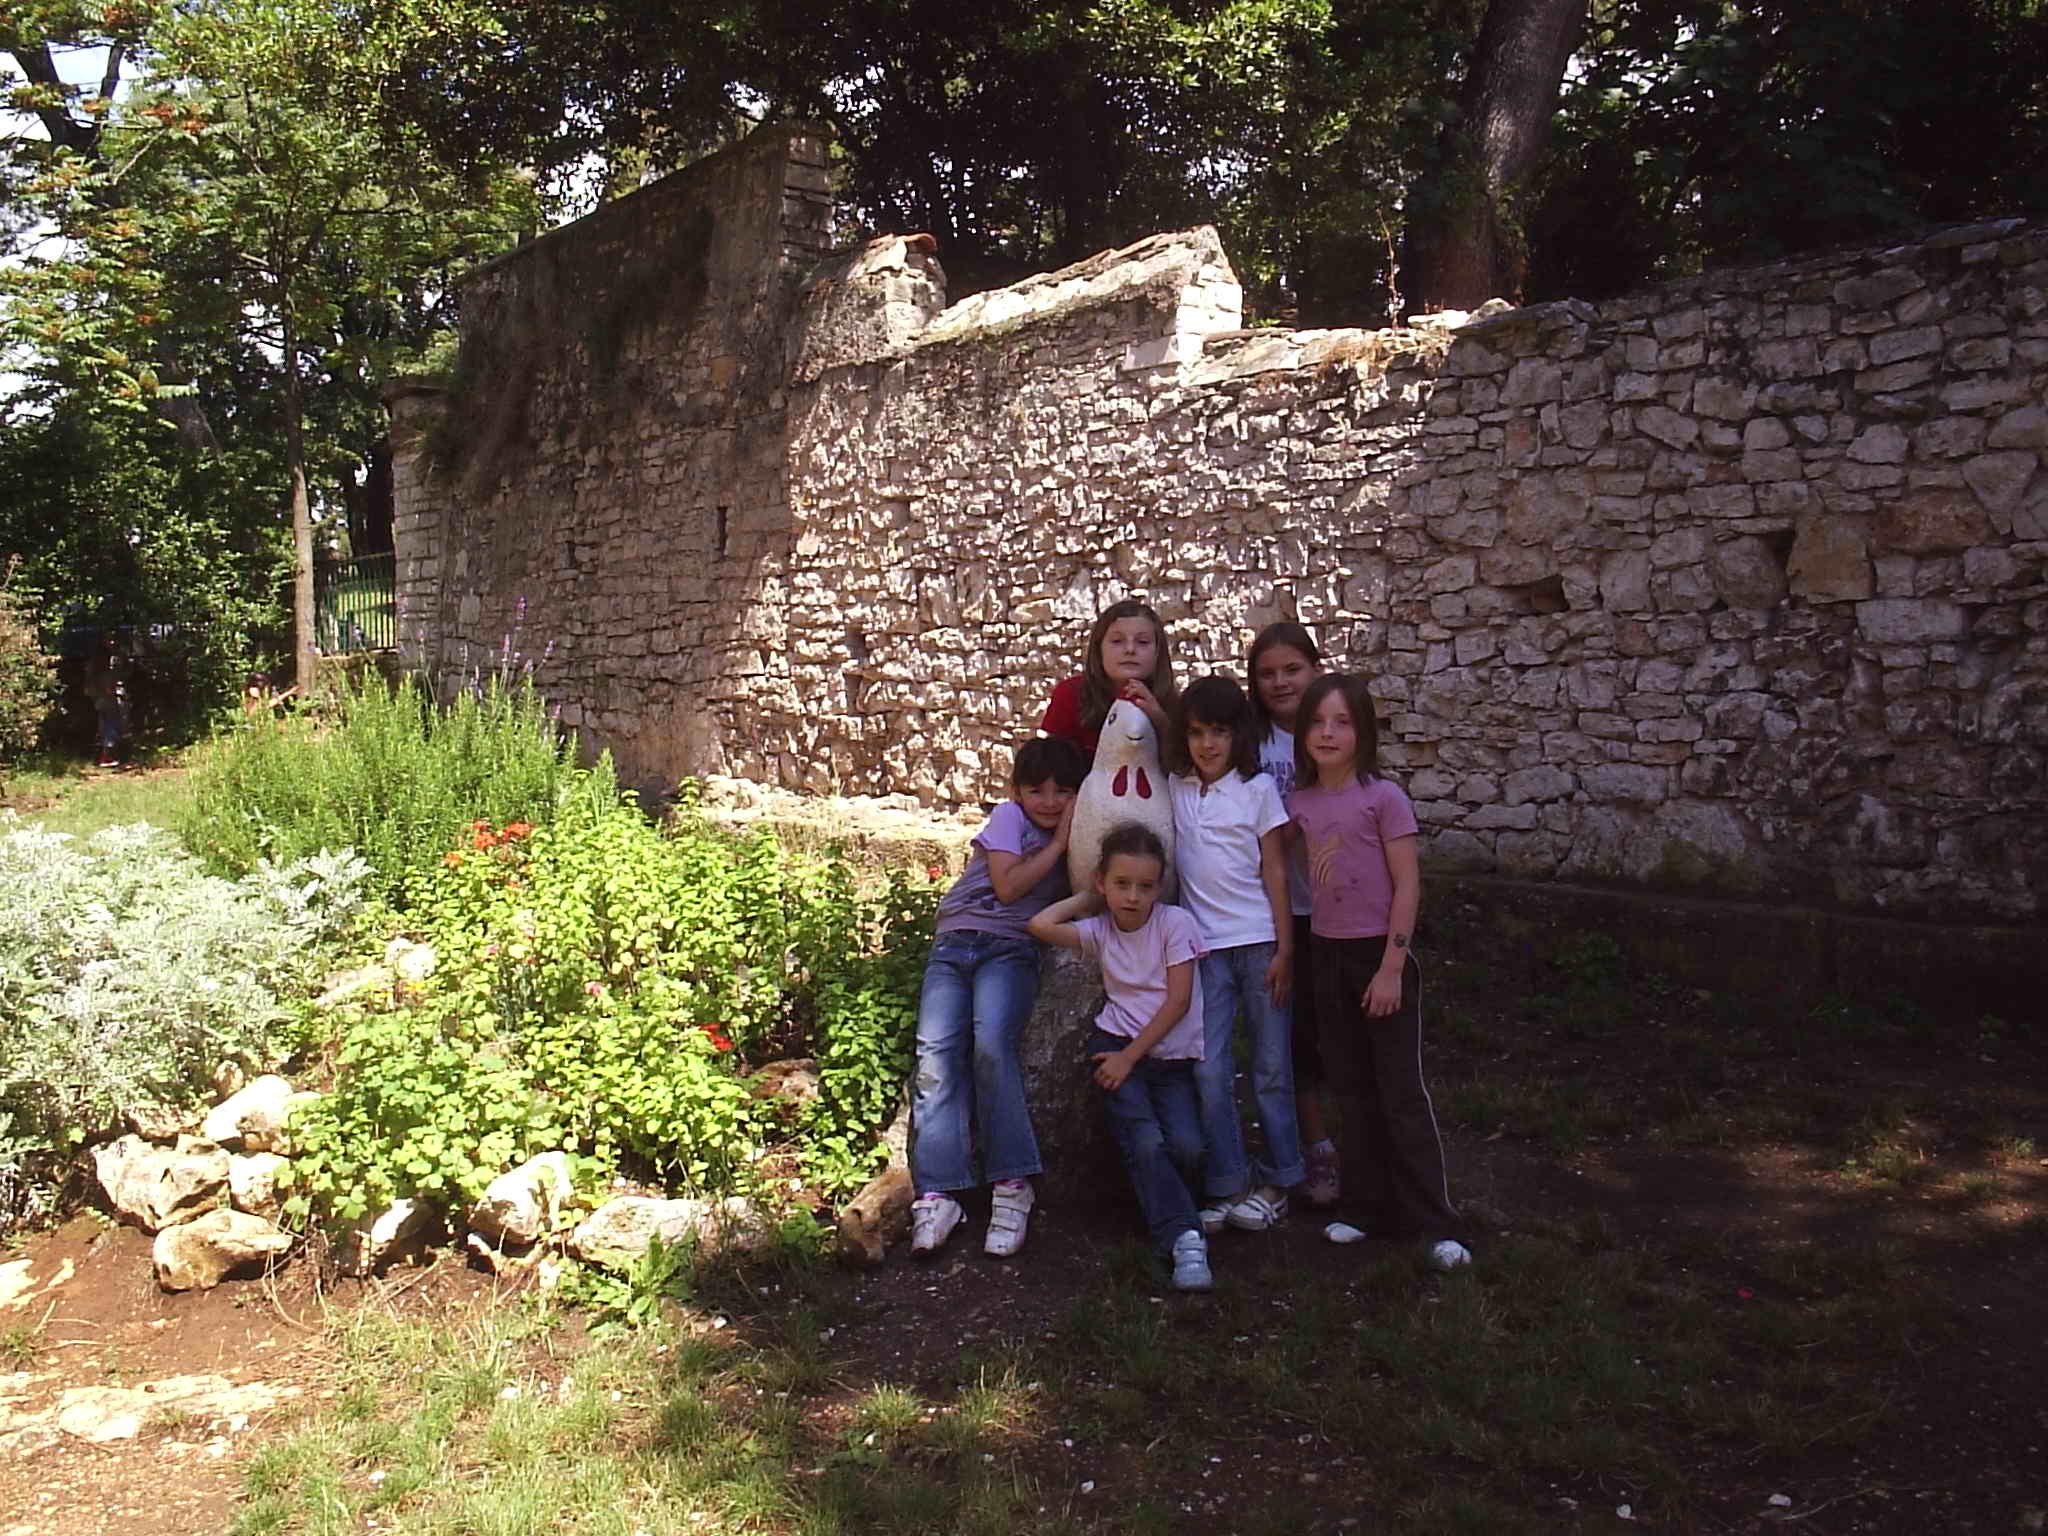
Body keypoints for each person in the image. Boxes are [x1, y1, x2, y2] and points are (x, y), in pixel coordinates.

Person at [1286, 672, 1469, 1270]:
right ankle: (1366, 1207)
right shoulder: (1299, 803)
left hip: (1379, 956)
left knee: (1399, 1092)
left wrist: (1392, 967)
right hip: (1326, 955)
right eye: (1317, 722)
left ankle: (1434, 1221)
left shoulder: (1384, 798)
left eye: (1342, 722)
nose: (1328, 733)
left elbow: (1407, 884)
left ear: (1363, 731)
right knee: (1351, 1087)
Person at [908, 735, 1091, 1259]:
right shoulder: (1010, 818)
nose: (1049, 802)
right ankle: (939, 1192)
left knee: (991, 1045)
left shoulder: (1083, 836)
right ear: (1017, 792)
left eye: (1063, 791)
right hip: (956, 942)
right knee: (935, 1056)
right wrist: (1057, 846)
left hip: (1010, 949)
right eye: (1037, 790)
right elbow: (1008, 887)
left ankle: (1012, 1184)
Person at [1029, 822, 1215, 1291]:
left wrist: (1130, 1057)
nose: (1133, 896)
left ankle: (1170, 1212)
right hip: (1114, 1048)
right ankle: (1186, 1240)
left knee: (1188, 1148)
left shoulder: (1175, 925)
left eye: (1145, 886)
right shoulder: (1100, 930)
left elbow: (1178, 1001)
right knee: (1146, 1141)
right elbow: (1040, 925)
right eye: (1121, 884)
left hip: (1164, 1060)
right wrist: (1089, 899)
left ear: (1160, 888)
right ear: (1103, 882)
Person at [1166, 675, 1302, 1236]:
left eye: (1219, 732)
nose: (1208, 744)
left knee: (1270, 1068)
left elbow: (1276, 870)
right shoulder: (1175, 788)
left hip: (1260, 943)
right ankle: (1228, 1182)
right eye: (1197, 732)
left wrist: (1286, 947)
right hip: (1205, 952)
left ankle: (1280, 1180)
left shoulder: (1258, 789)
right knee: (1210, 1069)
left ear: (1238, 734)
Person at [1248, 622, 1341, 1210]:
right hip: (1275, 912)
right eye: (1267, 674)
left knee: (1342, 1026)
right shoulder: (1249, 743)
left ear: (1315, 670)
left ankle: (1367, 1135)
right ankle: (1316, 1144)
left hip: (1339, 906)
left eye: (1292, 669)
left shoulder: (1331, 732)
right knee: (1294, 1033)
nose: (1280, 682)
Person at [1039, 598, 1179, 754]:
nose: (1130, 649)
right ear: (1099, 649)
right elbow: (1051, 761)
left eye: (1143, 642)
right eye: (1117, 641)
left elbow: (1182, 764)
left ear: (1158, 652)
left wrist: (1160, 721)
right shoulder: (1070, 694)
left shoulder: (1174, 704)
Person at [82, 632, 131, 767]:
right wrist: (109, 689)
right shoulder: (106, 659)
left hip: (102, 695)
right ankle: (106, 756)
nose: (112, 643)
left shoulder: (101, 658)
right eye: (109, 640)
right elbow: (107, 678)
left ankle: (106, 755)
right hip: (106, 695)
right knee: (112, 722)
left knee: (106, 723)